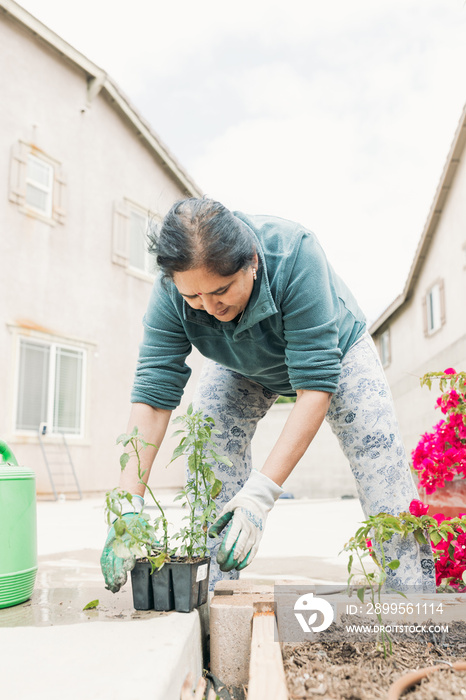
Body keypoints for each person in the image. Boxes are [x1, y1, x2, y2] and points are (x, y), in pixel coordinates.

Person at [101, 197, 435, 594]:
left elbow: (314, 385)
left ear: (252, 262)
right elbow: (154, 391)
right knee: (208, 455)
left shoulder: (295, 255)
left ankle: (415, 601)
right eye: (194, 298)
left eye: (221, 290)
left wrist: (259, 497)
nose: (208, 308)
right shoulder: (173, 290)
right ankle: (214, 601)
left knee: (380, 462)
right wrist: (127, 503)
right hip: (239, 363)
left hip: (336, 355)